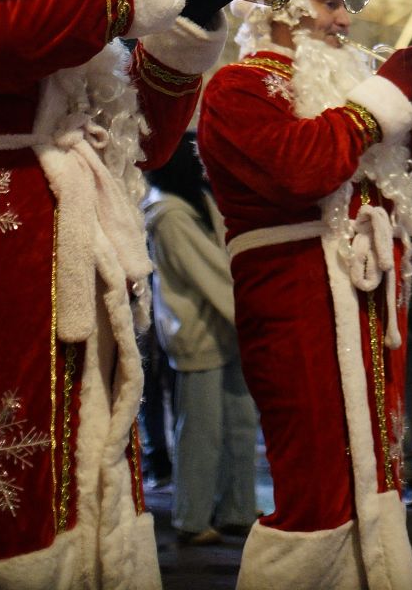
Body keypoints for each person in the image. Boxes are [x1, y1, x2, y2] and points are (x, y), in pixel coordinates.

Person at [197, 0, 412, 589]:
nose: (345, 19)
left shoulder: (345, 89)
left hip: (366, 305)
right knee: (317, 479)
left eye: (345, 4)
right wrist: (380, 98)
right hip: (298, 304)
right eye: (329, 3)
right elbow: (303, 169)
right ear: (279, 7)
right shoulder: (236, 88)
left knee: (376, 468)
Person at [146, 135, 260, 547]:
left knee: (239, 424)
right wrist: (252, 315)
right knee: (201, 431)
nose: (206, 164)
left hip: (227, 327)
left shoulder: (198, 200)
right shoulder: (170, 213)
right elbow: (209, 272)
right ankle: (192, 517)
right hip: (198, 331)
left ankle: (238, 510)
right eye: (199, 157)